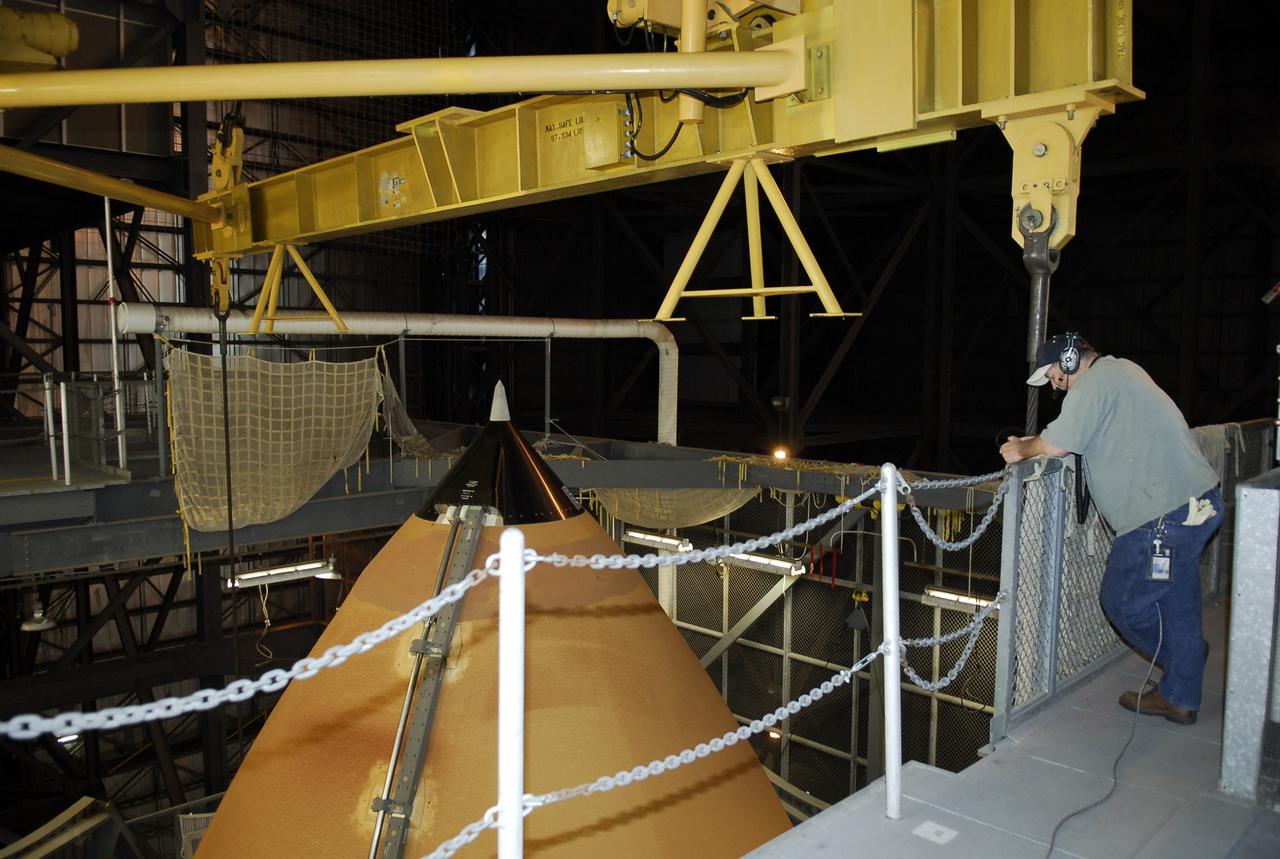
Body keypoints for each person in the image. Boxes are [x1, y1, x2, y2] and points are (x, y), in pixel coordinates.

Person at [999, 333, 1223, 724]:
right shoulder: (1123, 371)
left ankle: (1182, 663)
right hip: (1198, 502)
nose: (1054, 384)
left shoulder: (1093, 385)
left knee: (1121, 601)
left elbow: (1056, 446)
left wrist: (1019, 449)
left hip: (1161, 518)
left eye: (1053, 374)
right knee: (1178, 601)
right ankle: (1180, 696)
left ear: (1069, 361)